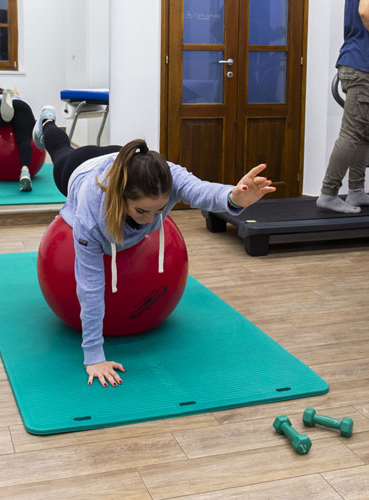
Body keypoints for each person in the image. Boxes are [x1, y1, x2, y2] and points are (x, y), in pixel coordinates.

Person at [33, 105, 276, 388]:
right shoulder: (90, 211)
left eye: (159, 210)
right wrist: (94, 356)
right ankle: (47, 123)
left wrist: (234, 198)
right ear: (121, 198)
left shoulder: (167, 176)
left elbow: (201, 191)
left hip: (125, 159)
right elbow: (89, 286)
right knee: (60, 150)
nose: (151, 220)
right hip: (82, 168)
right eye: (141, 212)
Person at [316, 0, 369, 213]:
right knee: (352, 133)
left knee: (367, 132)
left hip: (365, 65)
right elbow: (366, 11)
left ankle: (356, 190)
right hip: (362, 66)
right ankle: (328, 193)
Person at [0, 85, 36, 192]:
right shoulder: (17, 97)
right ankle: (25, 171)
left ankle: (3, 114)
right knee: (24, 140)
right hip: (22, 106)